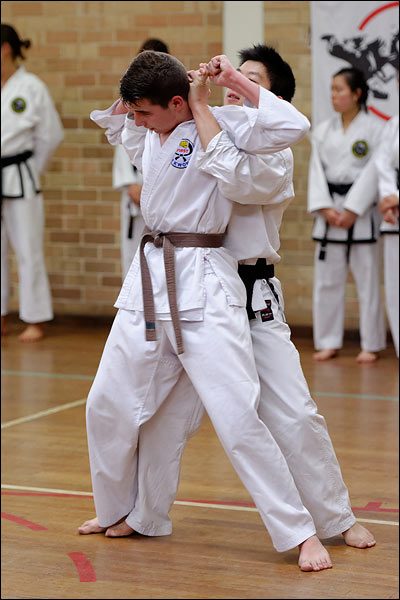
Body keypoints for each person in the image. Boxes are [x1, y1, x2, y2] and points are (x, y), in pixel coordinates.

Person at [79, 46, 375, 568]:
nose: (230, 86)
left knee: (287, 413)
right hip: (174, 282)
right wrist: (178, 103)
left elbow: (247, 163)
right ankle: (141, 513)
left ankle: (332, 519)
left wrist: (219, 97)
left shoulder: (255, 143)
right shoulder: (187, 128)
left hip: (242, 291)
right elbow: (134, 128)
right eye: (233, 78)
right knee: (161, 421)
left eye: (249, 81)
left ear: (269, 94)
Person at [307, 67, 386, 363]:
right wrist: (325, 207)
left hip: (361, 214)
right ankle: (327, 341)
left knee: (367, 281)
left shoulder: (376, 129)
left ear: (357, 94)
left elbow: (375, 170)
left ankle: (371, 343)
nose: (334, 95)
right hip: (329, 213)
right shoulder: (323, 131)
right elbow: (316, 171)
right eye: (331, 89)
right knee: (327, 281)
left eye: (340, 89)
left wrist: (354, 208)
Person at [1, 23, 63, 341]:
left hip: (20, 174)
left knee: (27, 247)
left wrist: (31, 169)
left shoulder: (30, 87)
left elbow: (50, 135)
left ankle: (35, 318)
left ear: (6, 48)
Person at [343, 113, 399, 357]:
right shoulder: (395, 123)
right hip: (393, 215)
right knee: (395, 289)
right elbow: (383, 161)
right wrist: (389, 197)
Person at [113, 38, 169, 278]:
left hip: (165, 199)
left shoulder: (172, 105)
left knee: (162, 266)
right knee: (133, 262)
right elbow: (124, 141)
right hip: (136, 197)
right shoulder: (130, 100)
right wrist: (130, 184)